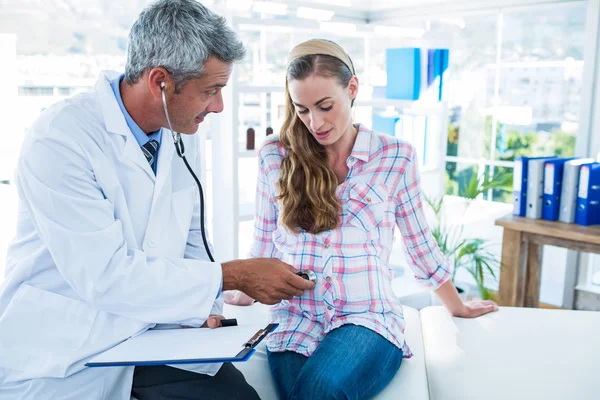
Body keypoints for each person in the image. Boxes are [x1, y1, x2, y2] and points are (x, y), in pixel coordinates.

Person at [0, 1, 314, 399]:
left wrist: (208, 311)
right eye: (211, 91)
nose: (218, 106)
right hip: (67, 348)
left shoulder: (179, 131)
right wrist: (231, 275)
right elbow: (105, 276)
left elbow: (190, 237)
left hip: (151, 334)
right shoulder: (61, 139)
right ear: (161, 82)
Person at [225, 39, 499, 400]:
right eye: (302, 110)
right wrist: (239, 288)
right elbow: (263, 237)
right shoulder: (274, 156)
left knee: (317, 389)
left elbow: (419, 242)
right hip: (296, 319)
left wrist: (456, 305)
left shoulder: (395, 156)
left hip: (367, 317)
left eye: (325, 106)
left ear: (352, 88)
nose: (315, 123)